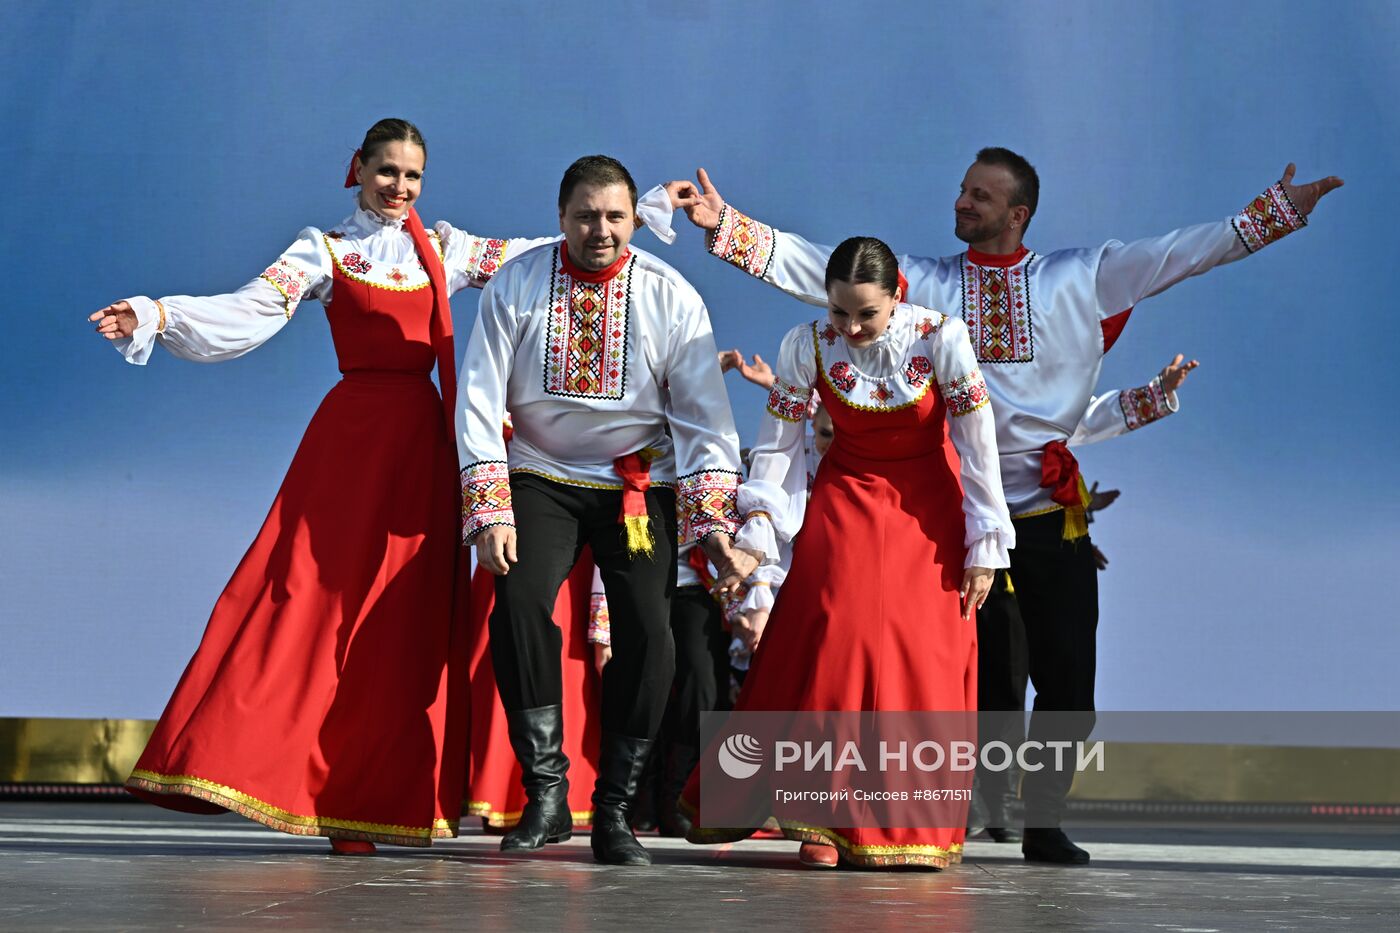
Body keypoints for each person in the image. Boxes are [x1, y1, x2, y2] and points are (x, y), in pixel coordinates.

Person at [666, 151, 1339, 864]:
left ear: (1019, 212)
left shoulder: (1081, 276)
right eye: (961, 190)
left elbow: (1182, 254)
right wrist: (728, 226)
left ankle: (1043, 821)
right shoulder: (922, 284)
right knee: (935, 672)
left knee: (1069, 679)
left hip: (1046, 509)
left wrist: (1275, 214)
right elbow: (819, 270)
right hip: (945, 511)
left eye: (980, 196)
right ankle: (921, 814)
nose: (962, 202)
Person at [87, 118, 562, 854]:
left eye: (412, 175)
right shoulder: (325, 249)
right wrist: (158, 313)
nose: (400, 187)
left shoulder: (446, 249)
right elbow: (249, 308)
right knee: (306, 602)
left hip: (424, 454)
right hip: (351, 450)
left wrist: (631, 215)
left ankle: (360, 803)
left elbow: (539, 255)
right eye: (388, 172)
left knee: (397, 623)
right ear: (359, 168)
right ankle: (262, 767)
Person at [681, 236, 1014, 870]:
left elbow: (977, 445)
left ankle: (906, 821)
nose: (852, 327)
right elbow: (778, 449)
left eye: (866, 313)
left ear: (897, 298)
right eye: (840, 312)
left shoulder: (941, 338)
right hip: (846, 495)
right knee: (837, 636)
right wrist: (755, 540)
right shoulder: (805, 344)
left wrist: (986, 544)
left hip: (928, 504)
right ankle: (822, 819)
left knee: (920, 651)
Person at [457, 154, 752, 866]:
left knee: (652, 633)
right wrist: (490, 508)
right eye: (586, 215)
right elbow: (479, 394)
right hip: (540, 472)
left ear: (634, 220)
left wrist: (713, 531)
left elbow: (708, 422)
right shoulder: (518, 281)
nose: (601, 229)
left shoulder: (671, 294)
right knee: (520, 603)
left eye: (615, 216)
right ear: (561, 217)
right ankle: (547, 794)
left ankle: (615, 810)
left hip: (637, 483)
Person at [970, 354, 1200, 844]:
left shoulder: (1051, 395)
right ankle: (975, 803)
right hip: (970, 527)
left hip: (1054, 524)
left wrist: (1158, 390)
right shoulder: (952, 369)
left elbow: (1093, 415)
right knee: (989, 689)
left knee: (1070, 684)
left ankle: (1043, 819)